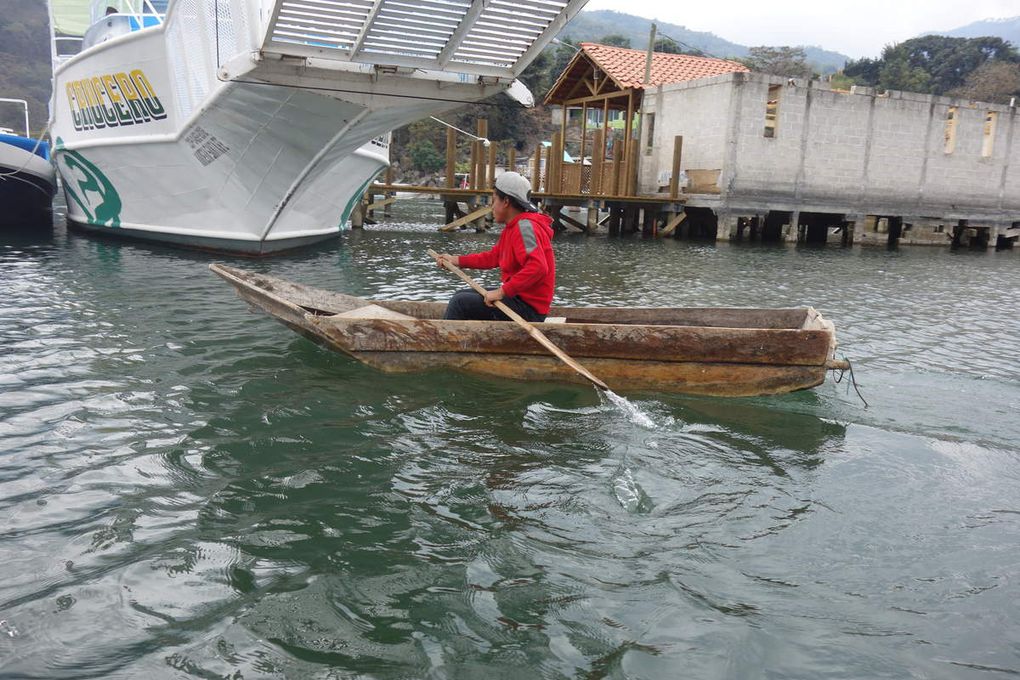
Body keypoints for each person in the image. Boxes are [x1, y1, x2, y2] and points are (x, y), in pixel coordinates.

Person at [435, 171, 555, 322]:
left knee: (460, 303)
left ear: (505, 201)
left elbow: (538, 267)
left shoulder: (525, 228)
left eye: (494, 200)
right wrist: (455, 260)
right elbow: (493, 258)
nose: (491, 206)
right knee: (460, 295)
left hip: (529, 309)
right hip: (518, 299)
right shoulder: (513, 227)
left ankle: (446, 343)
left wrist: (501, 292)